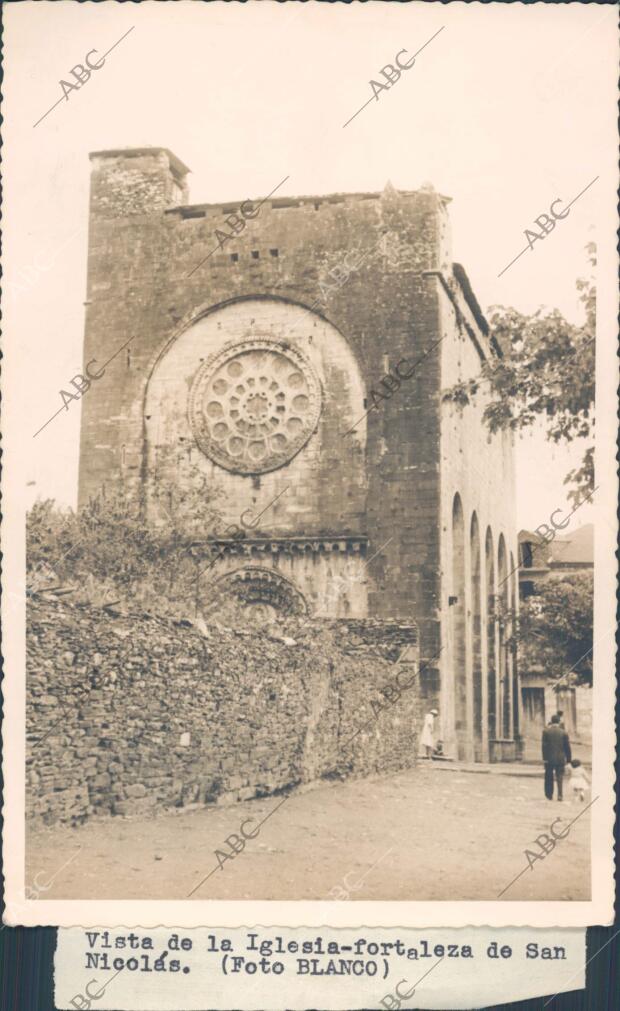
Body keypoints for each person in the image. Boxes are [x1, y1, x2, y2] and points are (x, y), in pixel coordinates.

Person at [542, 713, 572, 801]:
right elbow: (567, 747)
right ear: (559, 722)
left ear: (551, 721)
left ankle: (549, 795)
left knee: (549, 776)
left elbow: (544, 746)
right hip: (560, 758)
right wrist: (569, 760)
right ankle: (560, 795)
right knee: (559, 777)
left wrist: (544, 759)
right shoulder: (564, 732)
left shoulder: (546, 731)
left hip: (549, 758)